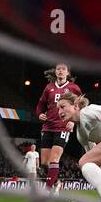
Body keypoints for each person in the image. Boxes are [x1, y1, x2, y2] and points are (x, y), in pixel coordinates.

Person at [36, 64, 81, 193]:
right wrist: (39, 114)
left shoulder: (73, 88)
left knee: (54, 159)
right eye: (58, 69)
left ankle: (47, 190)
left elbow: (81, 105)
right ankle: (57, 182)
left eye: (63, 69)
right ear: (55, 72)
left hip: (63, 127)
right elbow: (40, 104)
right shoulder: (49, 88)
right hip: (48, 126)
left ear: (68, 73)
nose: (60, 71)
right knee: (45, 162)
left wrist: (74, 121)